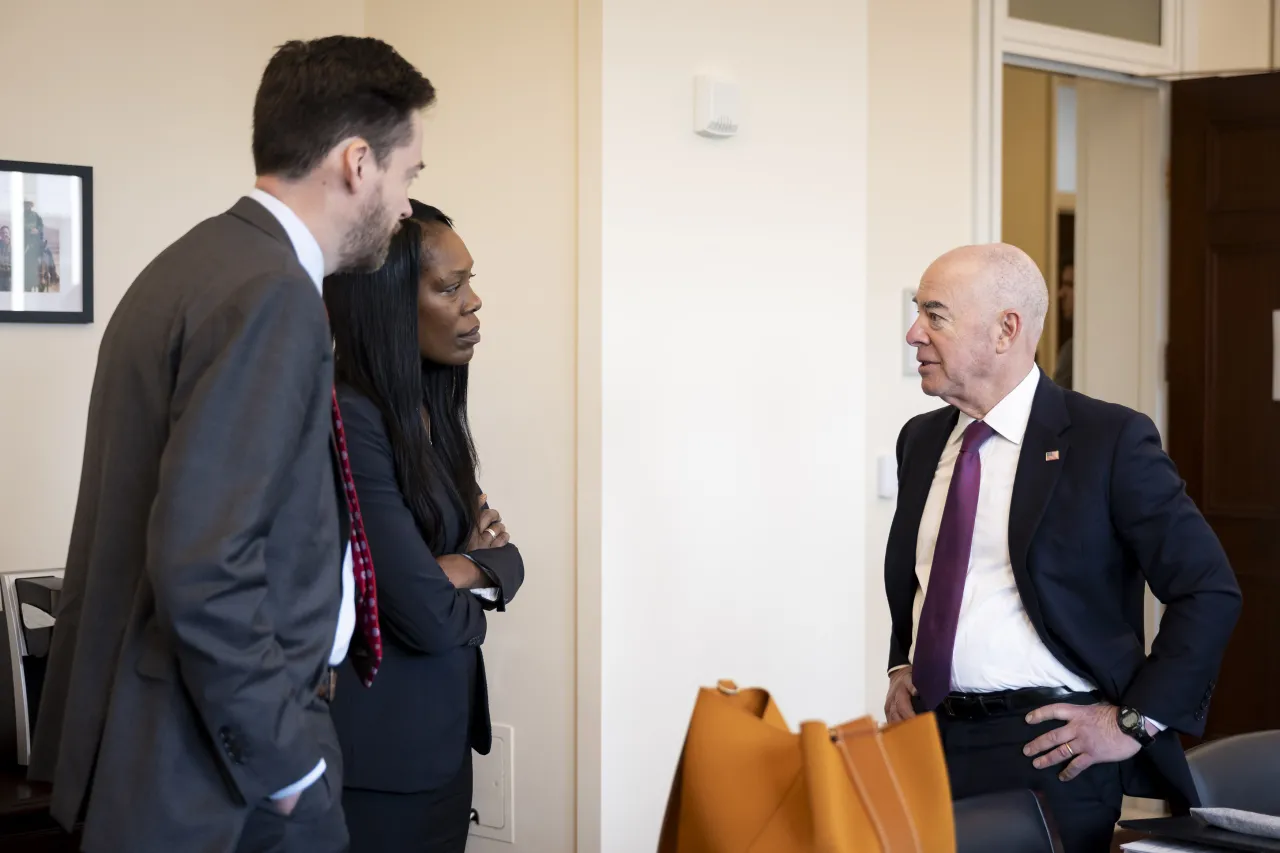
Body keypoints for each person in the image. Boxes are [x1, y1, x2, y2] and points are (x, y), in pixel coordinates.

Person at [29, 37, 435, 853]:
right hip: (223, 769)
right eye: (409, 175)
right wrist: (288, 773)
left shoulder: (186, 266)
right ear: (358, 162)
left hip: (157, 754)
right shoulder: (274, 297)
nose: (406, 206)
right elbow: (203, 564)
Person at [883, 244, 1241, 853]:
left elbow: (1207, 589)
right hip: (926, 742)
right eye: (918, 312)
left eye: (935, 314)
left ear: (1006, 329)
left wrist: (1135, 720)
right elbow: (922, 575)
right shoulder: (920, 440)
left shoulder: (1109, 440)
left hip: (1046, 754)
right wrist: (900, 664)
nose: (914, 333)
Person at [322, 203, 524, 853]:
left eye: (468, 280)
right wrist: (464, 571)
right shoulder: (351, 417)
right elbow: (426, 615)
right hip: (378, 763)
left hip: (440, 744)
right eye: (449, 286)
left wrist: (460, 568)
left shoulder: (428, 411)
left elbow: (509, 557)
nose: (474, 302)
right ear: (385, 305)